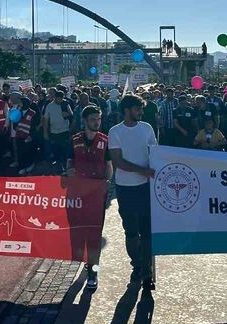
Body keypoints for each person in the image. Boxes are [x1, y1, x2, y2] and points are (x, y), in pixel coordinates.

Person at [107, 94, 157, 290]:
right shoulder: (115, 131)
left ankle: (147, 270)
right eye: (138, 109)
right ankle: (136, 264)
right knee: (130, 231)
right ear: (127, 110)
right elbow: (118, 162)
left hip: (145, 187)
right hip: (125, 188)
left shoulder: (147, 128)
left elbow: (155, 151)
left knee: (146, 231)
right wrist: (142, 170)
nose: (141, 112)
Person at [68, 105, 113, 291]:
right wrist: (69, 173)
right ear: (85, 120)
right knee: (78, 232)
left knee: (94, 235)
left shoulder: (105, 141)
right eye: (93, 119)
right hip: (77, 194)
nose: (97, 122)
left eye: (99, 119)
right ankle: (83, 261)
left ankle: (93, 271)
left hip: (96, 195)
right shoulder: (74, 140)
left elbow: (109, 165)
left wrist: (108, 183)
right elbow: (69, 162)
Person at [43, 88, 74, 174]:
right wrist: (45, 132)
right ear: (55, 98)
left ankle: (65, 167)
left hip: (65, 131)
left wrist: (67, 114)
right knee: (56, 150)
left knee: (65, 150)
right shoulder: (49, 106)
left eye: (62, 98)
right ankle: (59, 167)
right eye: (58, 98)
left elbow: (72, 115)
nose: (60, 100)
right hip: (54, 132)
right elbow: (46, 119)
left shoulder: (66, 104)